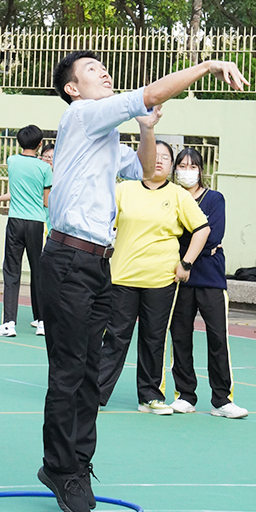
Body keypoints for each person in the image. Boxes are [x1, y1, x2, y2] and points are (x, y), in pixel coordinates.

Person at [37, 50, 247, 512]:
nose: (103, 71)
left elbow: (146, 170)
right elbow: (150, 93)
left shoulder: (105, 134)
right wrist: (207, 67)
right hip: (68, 259)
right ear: (72, 88)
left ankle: (79, 463)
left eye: (102, 66)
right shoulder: (82, 114)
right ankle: (59, 467)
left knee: (90, 371)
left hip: (98, 263)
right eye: (91, 69)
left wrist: (148, 130)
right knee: (69, 371)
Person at [98, 141, 210, 414]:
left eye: (165, 158)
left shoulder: (178, 195)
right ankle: (94, 394)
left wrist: (186, 263)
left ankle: (150, 397)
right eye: (153, 155)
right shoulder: (123, 190)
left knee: (154, 339)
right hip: (123, 278)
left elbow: (202, 229)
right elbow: (103, 223)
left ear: (171, 166)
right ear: (142, 159)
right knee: (115, 338)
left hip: (161, 280)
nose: (158, 161)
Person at [169, 148, 248, 418]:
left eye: (192, 166)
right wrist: (191, 247)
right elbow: (169, 235)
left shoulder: (214, 199)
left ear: (201, 170)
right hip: (180, 278)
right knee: (180, 337)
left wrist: (188, 250)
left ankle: (222, 400)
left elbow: (213, 236)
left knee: (217, 338)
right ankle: (185, 395)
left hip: (210, 278)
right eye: (182, 166)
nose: (187, 171)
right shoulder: (172, 197)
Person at [0, 125, 52, 338]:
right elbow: (46, 201)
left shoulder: (13, 161)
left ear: (19, 142)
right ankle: (42, 322)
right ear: (40, 144)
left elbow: (15, 191)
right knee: (38, 272)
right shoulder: (45, 168)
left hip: (15, 221)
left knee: (11, 272)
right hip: (36, 223)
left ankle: (9, 323)